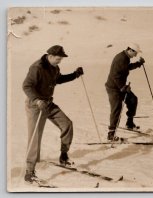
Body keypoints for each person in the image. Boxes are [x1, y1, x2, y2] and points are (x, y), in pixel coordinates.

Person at [22, 45, 84, 183]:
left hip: (48, 104)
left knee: (67, 124)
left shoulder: (54, 67)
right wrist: (37, 100)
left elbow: (58, 80)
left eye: (61, 59)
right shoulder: (37, 68)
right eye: (58, 58)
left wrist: (75, 75)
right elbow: (27, 85)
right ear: (49, 56)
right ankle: (29, 171)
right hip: (35, 106)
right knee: (35, 137)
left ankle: (64, 155)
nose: (59, 61)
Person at [105, 43, 145, 141]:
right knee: (116, 109)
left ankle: (129, 123)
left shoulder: (125, 58)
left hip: (121, 87)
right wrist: (123, 87)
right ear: (130, 50)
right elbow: (115, 75)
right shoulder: (121, 58)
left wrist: (138, 64)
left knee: (133, 100)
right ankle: (111, 134)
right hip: (114, 88)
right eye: (135, 53)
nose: (135, 55)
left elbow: (126, 67)